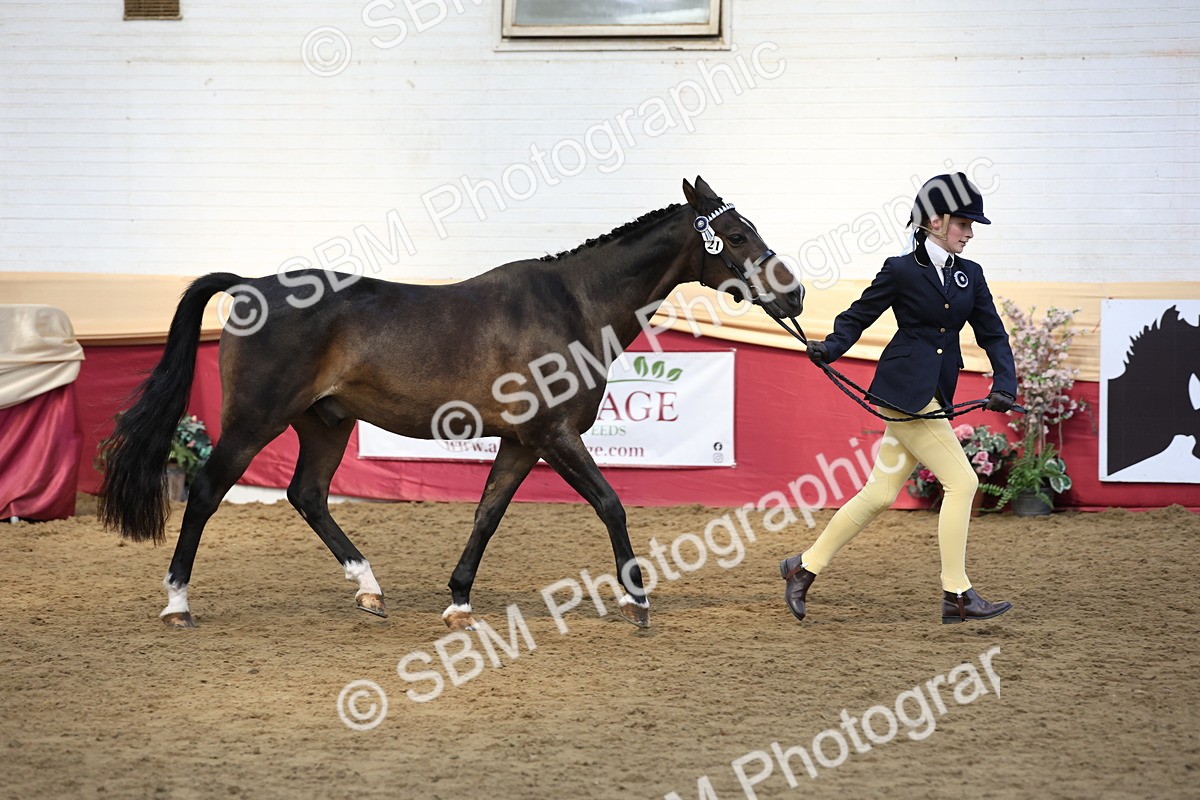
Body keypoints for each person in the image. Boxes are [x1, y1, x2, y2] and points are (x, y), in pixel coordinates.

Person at [780, 172, 1018, 625]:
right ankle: (957, 594)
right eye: (964, 224)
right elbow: (859, 315)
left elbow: (993, 333)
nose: (970, 234)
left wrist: (1005, 383)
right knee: (963, 483)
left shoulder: (971, 275)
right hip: (906, 394)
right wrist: (830, 347)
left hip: (934, 393)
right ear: (934, 220)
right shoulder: (901, 269)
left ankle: (802, 567)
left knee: (879, 493)